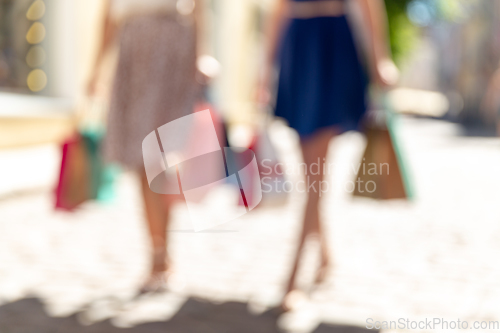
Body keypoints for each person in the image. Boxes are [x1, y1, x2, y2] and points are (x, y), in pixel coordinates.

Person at [257, 0, 398, 310]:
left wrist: (380, 60)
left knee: (314, 177)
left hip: (333, 47)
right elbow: (278, 9)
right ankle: (325, 257)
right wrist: (265, 70)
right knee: (311, 176)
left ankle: (293, 280)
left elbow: (369, 5)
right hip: (299, 48)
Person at [87, 0, 203, 293]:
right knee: (144, 159)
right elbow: (108, 13)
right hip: (133, 50)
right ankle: (158, 253)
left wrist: (200, 53)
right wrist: (96, 69)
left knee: (159, 156)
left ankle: (162, 254)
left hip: (171, 47)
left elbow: (199, 5)